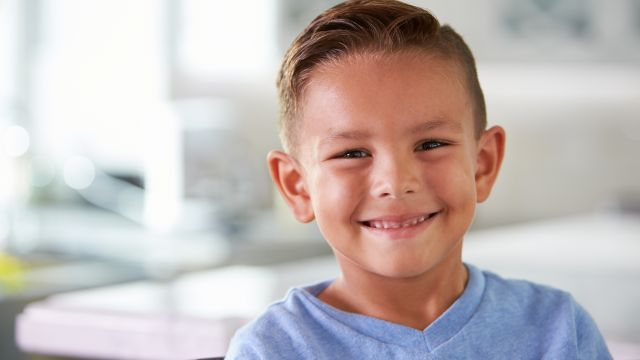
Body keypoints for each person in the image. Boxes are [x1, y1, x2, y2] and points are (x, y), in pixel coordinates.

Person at [226, 1, 612, 358]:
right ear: (297, 187)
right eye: (352, 153)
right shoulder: (272, 350)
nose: (396, 181)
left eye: (430, 144)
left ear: (483, 164)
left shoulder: (560, 331)